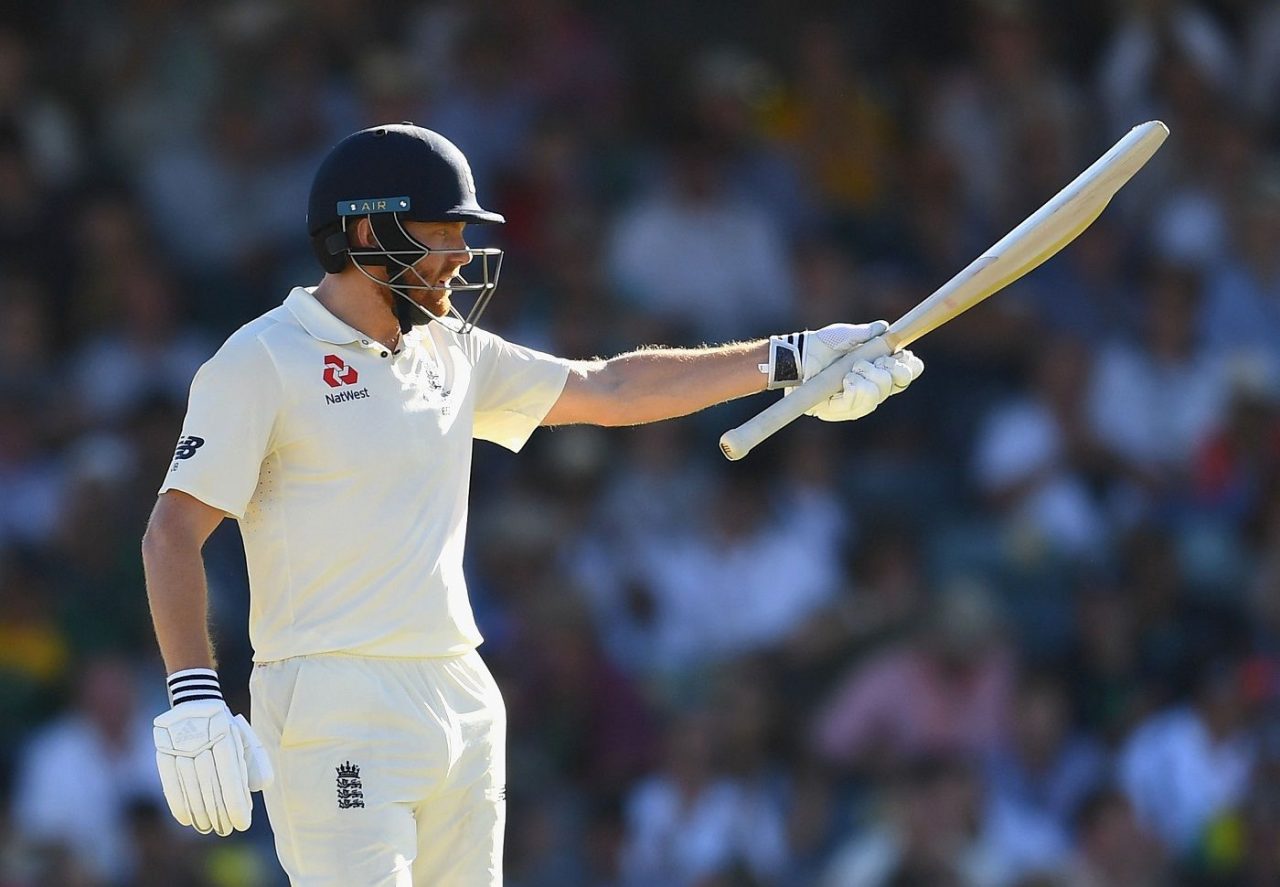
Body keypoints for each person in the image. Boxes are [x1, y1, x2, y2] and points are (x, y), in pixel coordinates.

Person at [140, 123, 924, 886]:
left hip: (459, 688)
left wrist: (792, 359)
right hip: (333, 701)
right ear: (368, 230)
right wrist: (194, 695)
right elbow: (173, 531)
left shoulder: (451, 350)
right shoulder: (261, 359)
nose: (459, 257)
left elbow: (609, 387)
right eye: (442, 232)